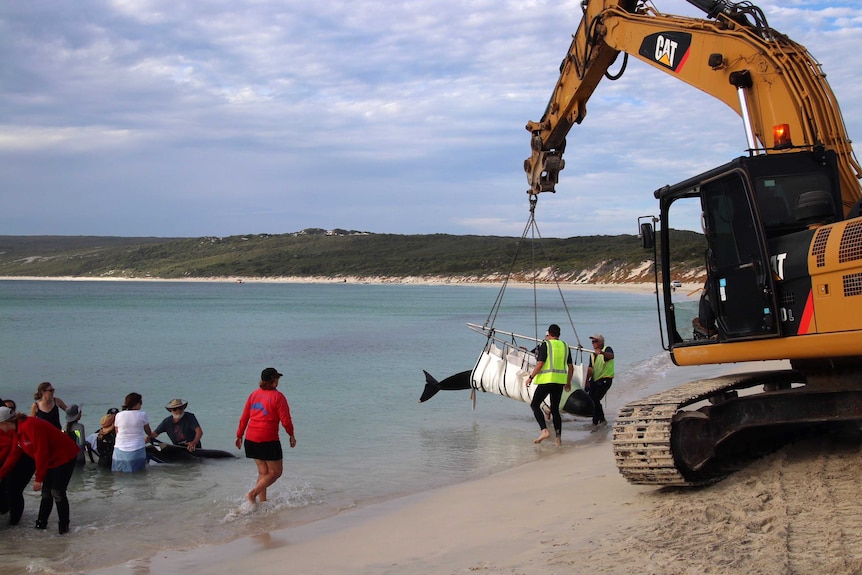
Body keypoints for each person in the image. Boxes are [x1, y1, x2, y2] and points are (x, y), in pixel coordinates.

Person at [0, 406, 79, 534]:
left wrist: (39, 478)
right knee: (46, 493)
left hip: (64, 456)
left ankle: (63, 530)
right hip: (50, 459)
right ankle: (41, 525)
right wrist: (1, 474)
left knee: (57, 493)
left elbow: (41, 452)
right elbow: (14, 454)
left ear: (4, 422)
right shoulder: (17, 431)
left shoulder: (30, 425)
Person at [236, 367, 296, 504]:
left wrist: (239, 435)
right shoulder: (278, 397)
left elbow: (244, 417)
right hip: (267, 440)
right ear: (274, 381)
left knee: (263, 473)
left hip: (251, 439)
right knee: (276, 472)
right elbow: (286, 420)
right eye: (277, 379)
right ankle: (252, 494)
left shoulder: (253, 395)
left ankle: (262, 503)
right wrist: (291, 435)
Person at [526, 324, 574, 446]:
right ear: (559, 334)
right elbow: (571, 367)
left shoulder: (546, 344)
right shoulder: (565, 346)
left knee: (535, 404)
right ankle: (558, 439)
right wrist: (568, 382)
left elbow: (540, 363)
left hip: (546, 380)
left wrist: (531, 377)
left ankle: (544, 430)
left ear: (549, 334)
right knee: (555, 409)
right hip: (559, 382)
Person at [112, 393, 152, 472]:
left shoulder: (119, 415)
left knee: (118, 474)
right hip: (137, 449)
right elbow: (148, 430)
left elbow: (117, 431)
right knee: (137, 474)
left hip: (119, 449)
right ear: (137, 403)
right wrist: (150, 436)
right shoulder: (142, 414)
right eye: (140, 402)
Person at [585, 334, 615, 431]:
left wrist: (602, 353)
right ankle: (595, 421)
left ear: (601, 342)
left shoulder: (607, 349)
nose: (593, 343)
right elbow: (590, 368)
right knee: (591, 399)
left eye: (595, 341)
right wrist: (586, 380)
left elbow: (611, 356)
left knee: (595, 399)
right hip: (595, 380)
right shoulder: (592, 354)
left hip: (605, 379)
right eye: (592, 342)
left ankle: (601, 420)